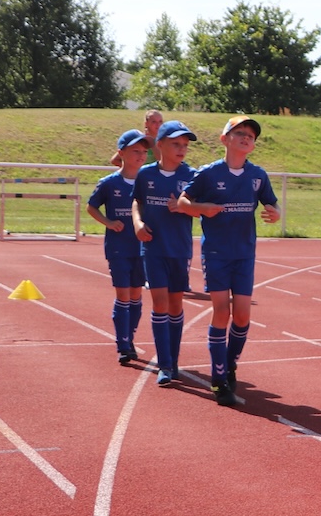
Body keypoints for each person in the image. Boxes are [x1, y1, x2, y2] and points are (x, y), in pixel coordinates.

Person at [180, 117, 281, 407]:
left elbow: (271, 203)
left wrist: (274, 212)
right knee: (221, 311)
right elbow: (183, 203)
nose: (246, 138)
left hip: (244, 253)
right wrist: (202, 209)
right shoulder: (209, 174)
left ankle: (229, 361)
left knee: (243, 316)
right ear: (225, 139)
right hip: (216, 253)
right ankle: (219, 379)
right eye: (240, 133)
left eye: (251, 135)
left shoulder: (258, 175)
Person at [131, 119, 206, 386]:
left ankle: (173, 361)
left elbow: (202, 208)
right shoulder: (146, 175)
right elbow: (136, 203)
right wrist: (138, 224)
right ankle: (164, 364)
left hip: (180, 249)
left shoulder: (192, 176)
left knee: (175, 305)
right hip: (153, 248)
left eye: (185, 145)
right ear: (159, 144)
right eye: (175, 143)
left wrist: (186, 207)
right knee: (160, 304)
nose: (182, 148)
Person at [87, 131, 150, 366]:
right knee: (123, 295)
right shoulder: (109, 183)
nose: (141, 155)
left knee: (136, 295)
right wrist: (109, 222)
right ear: (121, 153)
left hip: (142, 248)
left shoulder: (148, 181)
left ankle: (130, 338)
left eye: (144, 152)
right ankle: (123, 345)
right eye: (136, 151)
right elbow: (91, 207)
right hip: (118, 248)